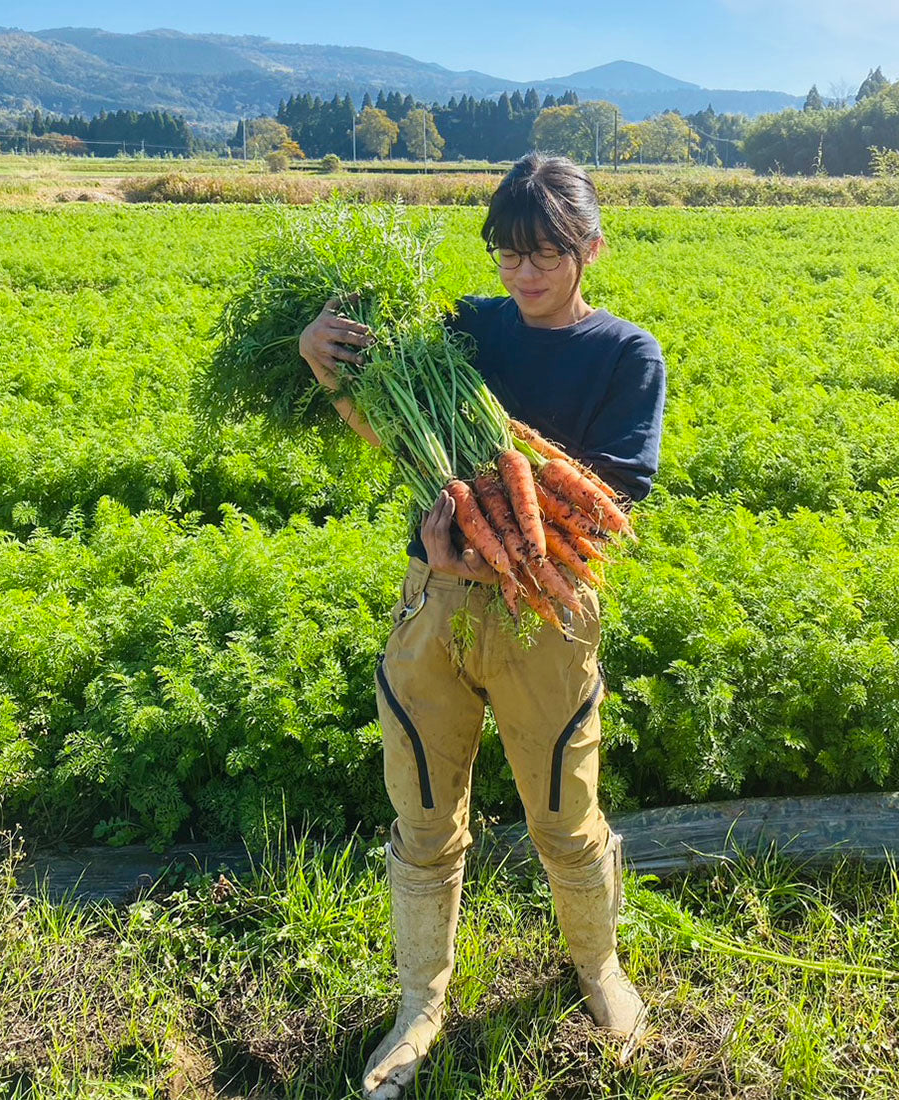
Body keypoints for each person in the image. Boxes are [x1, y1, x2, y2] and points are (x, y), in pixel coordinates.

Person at [298, 152, 666, 1099]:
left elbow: (611, 497)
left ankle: (598, 968)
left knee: (565, 813)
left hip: (549, 607)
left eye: (545, 252)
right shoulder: (465, 328)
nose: (525, 273)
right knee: (421, 811)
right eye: (508, 253)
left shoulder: (626, 355)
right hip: (436, 598)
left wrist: (511, 528)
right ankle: (420, 1000)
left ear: (591, 247)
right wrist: (331, 374)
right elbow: (393, 432)